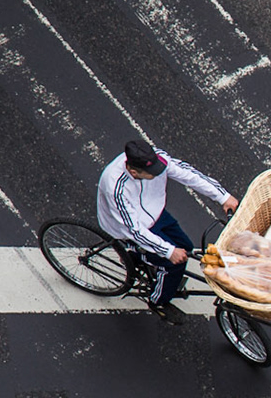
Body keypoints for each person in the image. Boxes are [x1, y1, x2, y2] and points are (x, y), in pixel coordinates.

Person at [96, 138, 238, 322]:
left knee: (185, 246)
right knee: (173, 263)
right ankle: (158, 302)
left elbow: (188, 174)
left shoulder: (157, 160)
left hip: (156, 214)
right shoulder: (115, 187)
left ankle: (138, 259)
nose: (160, 172)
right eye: (152, 173)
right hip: (129, 228)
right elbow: (135, 231)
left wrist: (223, 197)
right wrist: (168, 251)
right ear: (133, 172)